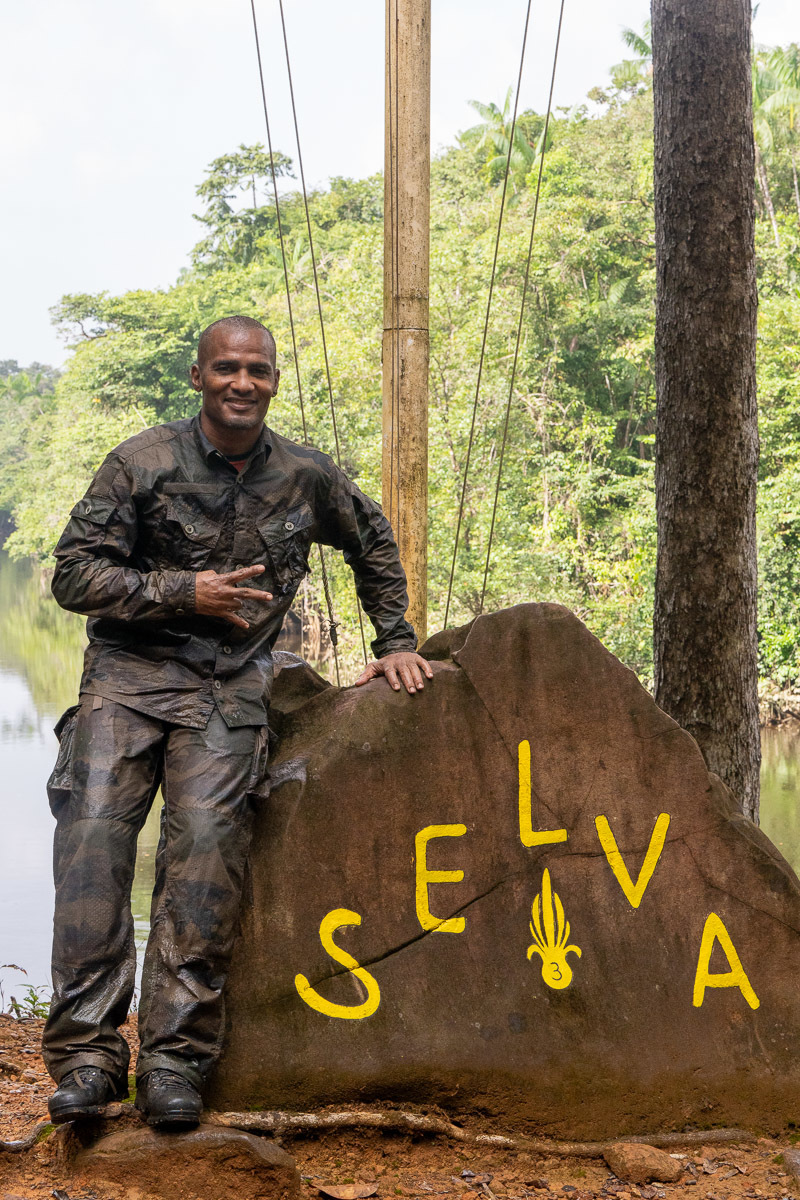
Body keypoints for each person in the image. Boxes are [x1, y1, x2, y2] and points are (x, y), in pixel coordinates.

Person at [43, 314, 433, 1129]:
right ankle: (86, 1059)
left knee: (205, 864)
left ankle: (173, 1065)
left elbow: (373, 544)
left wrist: (394, 641)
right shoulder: (141, 463)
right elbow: (74, 575)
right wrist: (184, 592)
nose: (242, 383)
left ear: (274, 381)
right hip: (127, 677)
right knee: (91, 851)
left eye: (258, 370)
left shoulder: (303, 476)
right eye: (227, 368)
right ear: (199, 378)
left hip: (230, 689)